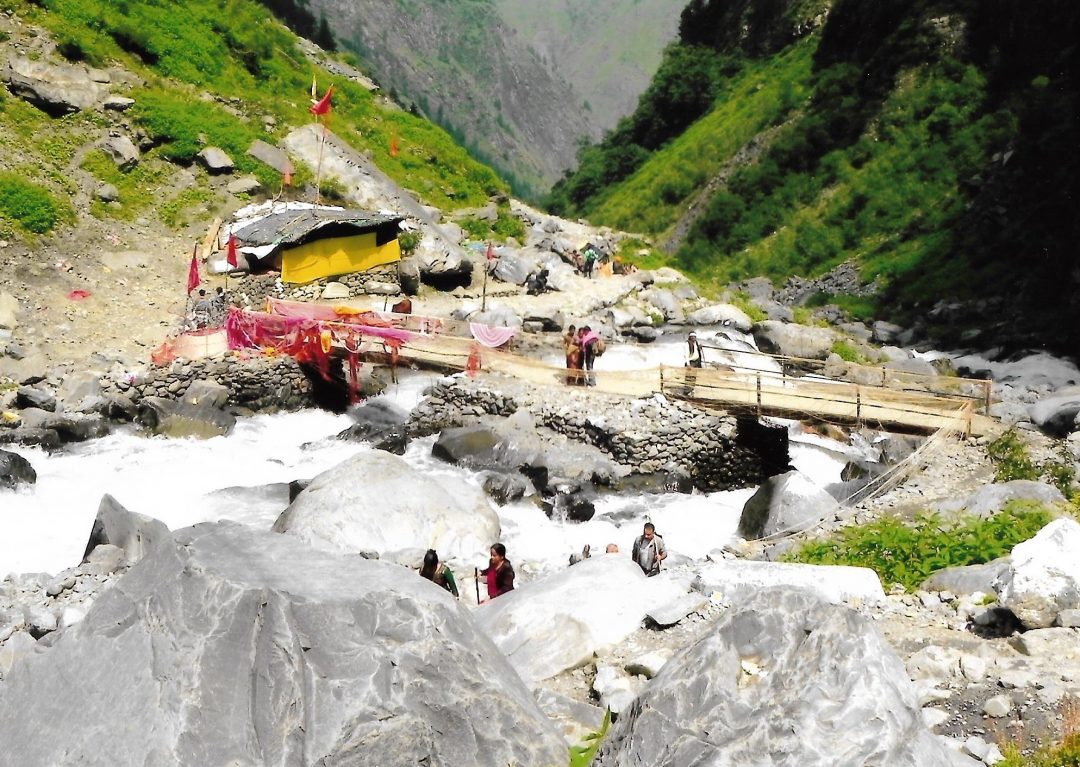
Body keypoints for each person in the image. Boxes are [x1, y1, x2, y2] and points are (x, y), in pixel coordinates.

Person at [683, 331, 703, 396]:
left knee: (694, 377)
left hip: (696, 362)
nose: (693, 338)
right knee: (689, 377)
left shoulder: (696, 343)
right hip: (691, 362)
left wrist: (699, 348)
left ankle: (691, 390)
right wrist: (688, 364)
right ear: (690, 337)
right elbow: (686, 354)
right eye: (692, 337)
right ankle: (686, 391)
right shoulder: (687, 343)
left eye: (694, 337)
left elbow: (696, 351)